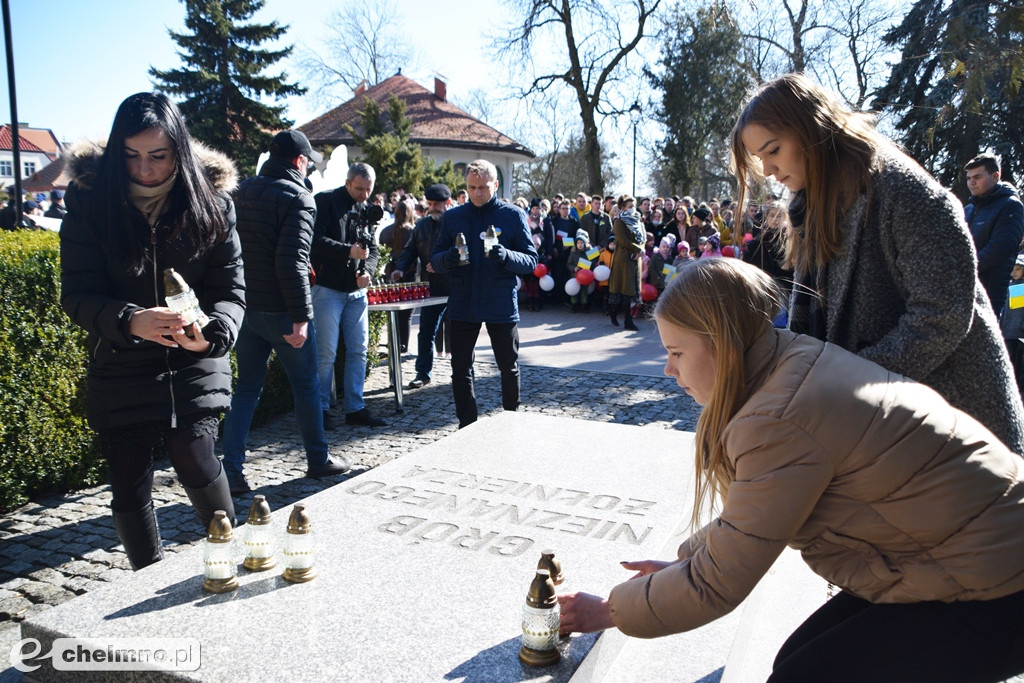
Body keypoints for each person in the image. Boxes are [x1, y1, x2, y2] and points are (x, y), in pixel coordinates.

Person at [557, 258, 1024, 682]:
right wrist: (686, 559)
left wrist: (610, 611)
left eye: (677, 353)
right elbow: (756, 518)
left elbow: (718, 583)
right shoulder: (788, 357)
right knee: (796, 662)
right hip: (965, 551)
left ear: (723, 343)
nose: (667, 370)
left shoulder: (778, 418)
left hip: (995, 583)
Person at [730, 73, 1024, 455]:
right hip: (890, 430)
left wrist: (847, 378)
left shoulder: (901, 189)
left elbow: (943, 317)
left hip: (958, 430)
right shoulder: (812, 206)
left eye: (773, 150)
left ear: (812, 129)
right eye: (759, 159)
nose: (767, 170)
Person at [59, 92, 244, 570]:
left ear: (178, 152)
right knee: (128, 476)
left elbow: (231, 289)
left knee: (194, 452)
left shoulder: (213, 201)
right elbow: (77, 293)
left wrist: (213, 334)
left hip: (194, 357)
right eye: (132, 156)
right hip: (121, 358)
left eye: (158, 156)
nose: (144, 169)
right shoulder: (87, 201)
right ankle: (147, 575)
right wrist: (129, 320)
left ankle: (233, 560)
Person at [220, 130, 350, 495]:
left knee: (245, 389)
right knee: (306, 384)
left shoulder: (240, 190)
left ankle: (231, 470)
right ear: (298, 161)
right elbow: (291, 262)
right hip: (280, 309)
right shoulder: (300, 199)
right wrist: (301, 317)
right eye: (307, 160)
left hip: (245, 308)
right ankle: (317, 459)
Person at [428, 159, 537, 428]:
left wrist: (506, 255)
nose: (477, 193)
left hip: (500, 302)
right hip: (463, 302)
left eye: (483, 187)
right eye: (472, 187)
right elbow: (435, 259)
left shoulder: (511, 215)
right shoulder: (453, 217)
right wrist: (449, 259)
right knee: (460, 368)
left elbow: (531, 261)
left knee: (508, 367)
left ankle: (510, 418)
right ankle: (467, 423)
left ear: (495, 185)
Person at [311, 162, 386, 429]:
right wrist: (347, 252)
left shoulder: (366, 209)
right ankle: (318, 410)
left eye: (368, 189)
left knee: (359, 350)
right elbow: (314, 241)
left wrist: (370, 273)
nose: (364, 194)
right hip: (327, 289)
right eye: (359, 189)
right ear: (347, 183)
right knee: (326, 353)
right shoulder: (325, 202)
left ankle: (355, 407)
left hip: (356, 292)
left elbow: (373, 250)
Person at [390, 183, 453, 388]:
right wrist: (400, 268)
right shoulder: (422, 226)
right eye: (431, 204)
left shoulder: (457, 223)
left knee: (461, 332)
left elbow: (463, 253)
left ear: (448, 203)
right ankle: (423, 372)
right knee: (426, 331)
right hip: (431, 288)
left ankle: (463, 372)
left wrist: (442, 264)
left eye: (438, 204)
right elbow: (409, 251)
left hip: (456, 287)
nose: (433, 208)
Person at [964, 153, 1024, 315]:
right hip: (967, 290)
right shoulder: (968, 210)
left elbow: (1001, 248)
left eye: (977, 177)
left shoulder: (1011, 206)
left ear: (995, 176)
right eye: (969, 178)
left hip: (994, 293)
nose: (972, 182)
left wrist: (964, 269)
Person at [378, 196, 418, 352]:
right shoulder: (413, 231)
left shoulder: (386, 231)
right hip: (410, 274)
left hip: (392, 273)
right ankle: (403, 347)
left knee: (394, 313)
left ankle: (395, 345)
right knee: (406, 315)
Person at [608, 194, 644, 330]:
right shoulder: (619, 222)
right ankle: (625, 319)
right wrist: (637, 249)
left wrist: (640, 249)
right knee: (623, 289)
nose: (632, 209)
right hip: (623, 260)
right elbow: (622, 240)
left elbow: (642, 237)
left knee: (630, 290)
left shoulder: (637, 220)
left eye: (634, 206)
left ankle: (621, 317)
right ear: (622, 207)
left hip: (634, 258)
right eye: (630, 206)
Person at [1001, 254, 1024, 396]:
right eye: (1013, 269)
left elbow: (1016, 313)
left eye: (1018, 269)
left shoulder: (1019, 287)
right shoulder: (1012, 285)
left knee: (1014, 360)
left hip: (1015, 332)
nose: (1014, 272)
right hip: (1008, 330)